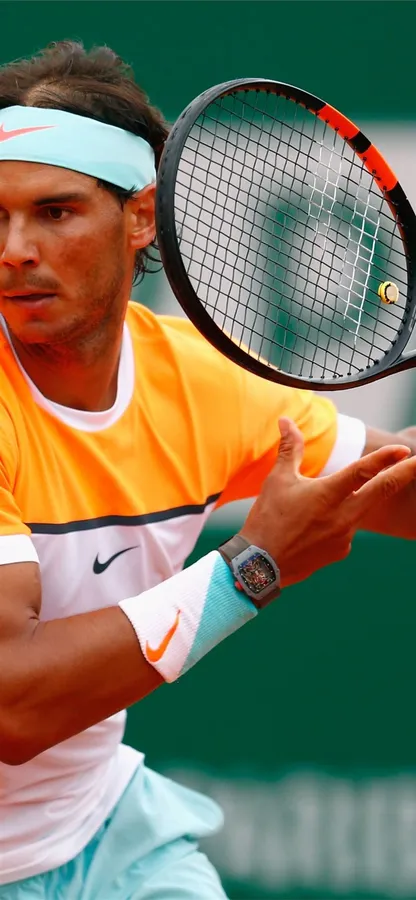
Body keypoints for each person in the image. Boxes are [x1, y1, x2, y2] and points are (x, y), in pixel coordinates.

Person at [0, 41, 415, 900]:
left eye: (55, 212)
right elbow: (14, 706)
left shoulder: (199, 380)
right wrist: (250, 570)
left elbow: (391, 492)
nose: (15, 248)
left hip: (105, 834)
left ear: (140, 217)